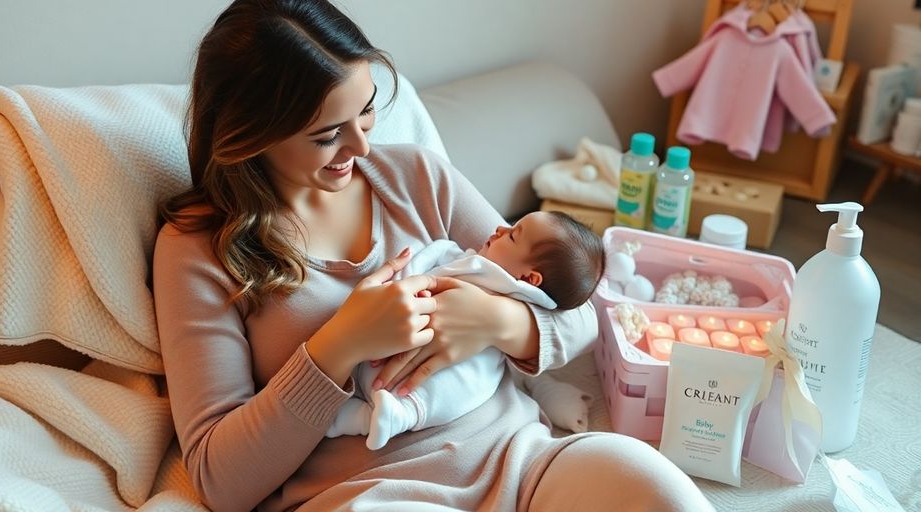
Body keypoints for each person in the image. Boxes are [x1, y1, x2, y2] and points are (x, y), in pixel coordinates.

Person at [152, 1, 716, 510]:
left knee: (658, 490)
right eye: (327, 135)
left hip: (524, 463)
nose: (362, 146)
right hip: (369, 496)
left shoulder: (415, 176)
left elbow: (577, 309)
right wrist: (339, 345)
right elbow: (218, 479)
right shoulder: (199, 247)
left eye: (367, 112)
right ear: (249, 134)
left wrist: (494, 319)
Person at [326, 210, 604, 450]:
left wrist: (497, 319)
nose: (499, 227)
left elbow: (584, 320)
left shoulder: (524, 293)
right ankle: (371, 414)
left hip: (481, 403)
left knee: (467, 382)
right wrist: (399, 286)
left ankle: (392, 416)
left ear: (530, 279)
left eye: (512, 234)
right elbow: (426, 261)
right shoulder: (459, 257)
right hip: (389, 344)